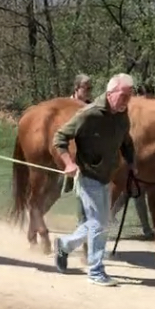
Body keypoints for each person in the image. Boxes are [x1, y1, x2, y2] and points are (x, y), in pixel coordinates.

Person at [52, 73, 138, 287]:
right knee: (99, 224)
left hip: (105, 176)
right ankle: (96, 271)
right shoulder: (89, 114)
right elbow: (59, 138)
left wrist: (132, 162)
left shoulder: (121, 114)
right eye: (124, 95)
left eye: (130, 96)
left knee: (98, 223)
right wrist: (69, 163)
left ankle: (64, 244)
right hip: (88, 176)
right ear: (110, 93)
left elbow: (126, 140)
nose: (127, 101)